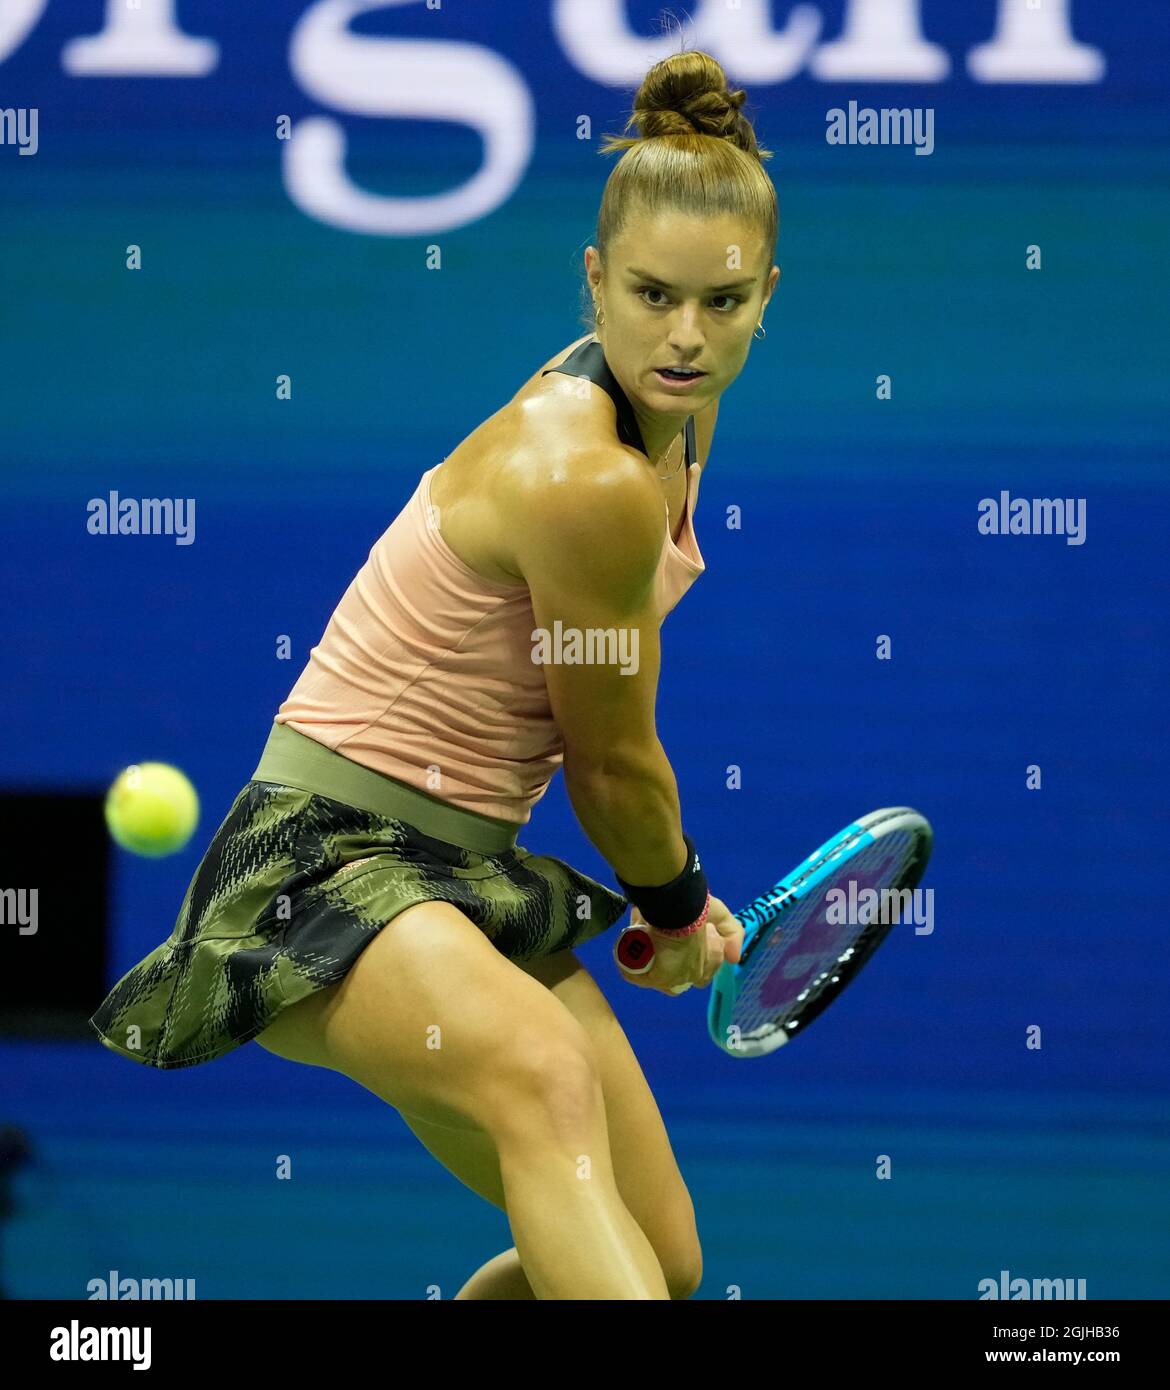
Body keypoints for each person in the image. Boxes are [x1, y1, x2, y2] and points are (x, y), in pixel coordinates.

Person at [89, 47, 780, 1301]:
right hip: (322, 864)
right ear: (595, 281)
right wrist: (675, 903)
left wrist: (674, 897)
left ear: (766, 296)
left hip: (467, 872)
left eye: (722, 303)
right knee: (542, 1079)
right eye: (653, 294)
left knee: (662, 1260)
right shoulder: (582, 478)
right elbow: (612, 762)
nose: (686, 335)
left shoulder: (677, 419)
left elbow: (617, 719)